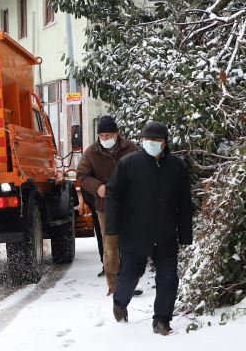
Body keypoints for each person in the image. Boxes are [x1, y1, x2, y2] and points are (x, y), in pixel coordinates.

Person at [105, 121, 193, 336]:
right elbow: (112, 194)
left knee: (168, 278)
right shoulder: (128, 164)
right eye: (147, 139)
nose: (151, 143)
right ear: (142, 140)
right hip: (135, 233)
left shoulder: (177, 166)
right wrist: (113, 227)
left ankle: (162, 320)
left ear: (165, 144)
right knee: (129, 275)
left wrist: (185, 233)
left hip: (166, 233)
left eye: (156, 140)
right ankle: (120, 302)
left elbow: (184, 202)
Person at [76, 115, 137, 293]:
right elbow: (82, 175)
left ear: (117, 134)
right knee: (110, 247)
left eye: (108, 135)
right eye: (101, 136)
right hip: (105, 206)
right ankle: (114, 286)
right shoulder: (91, 153)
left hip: (128, 206)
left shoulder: (131, 148)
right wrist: (98, 187)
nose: (105, 139)